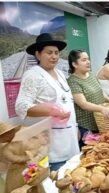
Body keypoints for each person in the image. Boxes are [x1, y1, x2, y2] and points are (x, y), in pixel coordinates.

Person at [15, 33, 80, 171]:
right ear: (38, 55)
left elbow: (67, 101)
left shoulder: (60, 74)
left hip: (70, 137)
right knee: (57, 179)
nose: (54, 56)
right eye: (49, 53)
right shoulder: (33, 75)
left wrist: (75, 127)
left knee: (72, 175)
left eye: (56, 53)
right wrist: (51, 111)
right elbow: (21, 107)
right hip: (51, 141)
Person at [67, 49, 109, 149]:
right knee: (92, 154)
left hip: (100, 123)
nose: (88, 62)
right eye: (84, 60)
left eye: (88, 59)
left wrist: (108, 99)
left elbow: (99, 91)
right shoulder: (72, 81)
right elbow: (82, 103)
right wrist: (102, 109)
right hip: (87, 128)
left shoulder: (91, 75)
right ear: (75, 64)